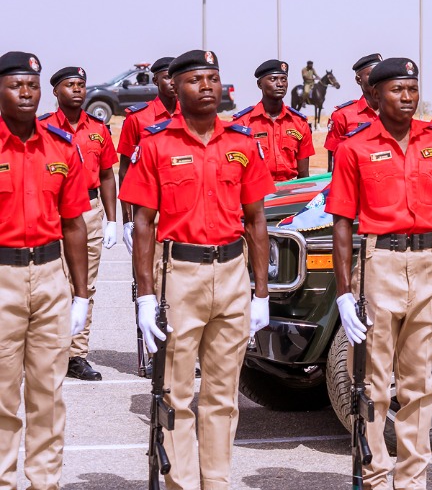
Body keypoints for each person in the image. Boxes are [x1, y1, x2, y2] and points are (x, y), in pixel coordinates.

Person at [122, 49, 275, 490]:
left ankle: (217, 482)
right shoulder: (155, 145)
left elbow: (256, 220)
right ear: (175, 86)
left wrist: (260, 292)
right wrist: (146, 296)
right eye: (195, 80)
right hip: (181, 275)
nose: (206, 86)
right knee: (176, 392)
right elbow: (144, 223)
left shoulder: (243, 143)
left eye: (213, 78)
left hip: (231, 273)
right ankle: (182, 484)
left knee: (223, 396)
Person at [326, 57, 432, 490]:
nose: (407, 98)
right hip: (379, 263)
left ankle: (411, 481)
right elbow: (342, 224)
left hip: (428, 265)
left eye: (412, 89)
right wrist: (345, 292)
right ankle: (375, 474)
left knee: (419, 383)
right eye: (396, 90)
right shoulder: (355, 147)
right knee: (372, 382)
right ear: (375, 95)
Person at [0, 51, 90, 490]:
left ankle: (45, 483)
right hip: (2, 279)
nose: (25, 93)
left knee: (47, 394)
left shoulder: (60, 146)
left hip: (51, 274)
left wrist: (81, 295)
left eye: (32, 86)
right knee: (0, 396)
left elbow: (73, 223)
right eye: (16, 85)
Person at [40, 66, 120, 382]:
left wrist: (112, 219)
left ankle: (76, 355)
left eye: (81, 85)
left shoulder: (99, 129)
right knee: (49, 284)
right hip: (51, 210)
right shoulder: (42, 128)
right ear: (56, 91)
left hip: (88, 209)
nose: (77, 90)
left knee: (84, 285)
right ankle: (47, 351)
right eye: (69, 85)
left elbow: (106, 175)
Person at [117, 55, 175, 253]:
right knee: (146, 277)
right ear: (156, 80)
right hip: (148, 208)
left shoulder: (193, 117)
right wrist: (127, 221)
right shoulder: (138, 118)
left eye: (177, 77)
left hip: (185, 208)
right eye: (167, 77)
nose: (173, 82)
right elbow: (124, 172)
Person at [233, 59, 315, 182]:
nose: (280, 84)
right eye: (273, 79)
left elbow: (304, 176)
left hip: (290, 193)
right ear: (260, 84)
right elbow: (235, 173)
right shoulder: (243, 123)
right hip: (257, 195)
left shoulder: (299, 123)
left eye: (284, 79)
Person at [325, 53, 381, 172]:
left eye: (381, 75)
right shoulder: (343, 115)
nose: (378, 79)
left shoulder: (394, 114)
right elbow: (333, 166)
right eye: (372, 75)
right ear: (358, 80)